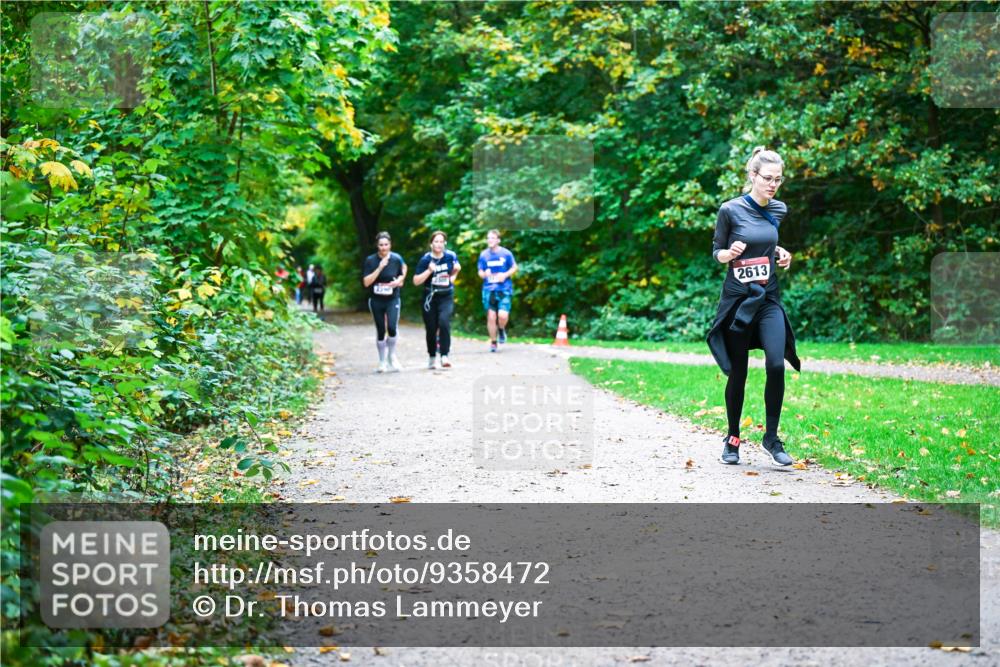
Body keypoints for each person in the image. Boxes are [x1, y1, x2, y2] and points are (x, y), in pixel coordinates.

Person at [706, 146, 800, 467]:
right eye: (767, 178)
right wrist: (729, 254)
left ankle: (771, 438)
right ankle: (732, 439)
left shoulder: (778, 209)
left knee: (776, 364)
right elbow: (716, 252)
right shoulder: (730, 210)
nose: (773, 185)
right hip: (737, 302)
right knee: (739, 373)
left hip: (767, 299)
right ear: (752, 176)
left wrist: (781, 252)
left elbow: (767, 241)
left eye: (778, 179)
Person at [413, 231, 461, 369]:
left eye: (441, 241)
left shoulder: (451, 256)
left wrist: (454, 274)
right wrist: (429, 271)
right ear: (431, 244)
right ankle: (432, 356)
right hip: (430, 297)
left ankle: (445, 355)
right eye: (436, 241)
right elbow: (416, 281)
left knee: (444, 322)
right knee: (431, 328)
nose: (439, 244)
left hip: (446, 295)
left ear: (444, 243)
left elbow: (455, 271)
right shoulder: (425, 260)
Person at [362, 232, 407, 372]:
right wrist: (380, 267)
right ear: (377, 245)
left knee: (392, 328)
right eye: (381, 245)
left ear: (390, 245)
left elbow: (403, 271)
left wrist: (399, 281)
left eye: (386, 244)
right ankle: (382, 361)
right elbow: (366, 282)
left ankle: (391, 356)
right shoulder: (370, 260)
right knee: (381, 330)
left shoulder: (396, 258)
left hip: (392, 299)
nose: (383, 247)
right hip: (376, 300)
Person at [476, 229, 517, 353]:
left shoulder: (506, 253)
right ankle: (493, 342)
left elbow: (514, 267)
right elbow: (480, 272)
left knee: (502, 315)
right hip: (489, 289)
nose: (490, 240)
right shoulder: (484, 255)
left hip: (504, 289)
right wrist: (484, 274)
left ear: (498, 240)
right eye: (488, 238)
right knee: (491, 317)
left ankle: (501, 329)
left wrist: (505, 275)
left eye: (493, 238)